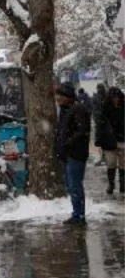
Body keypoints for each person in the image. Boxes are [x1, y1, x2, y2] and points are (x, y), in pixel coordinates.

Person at [55, 82, 91, 226]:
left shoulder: (78, 109)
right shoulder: (65, 110)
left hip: (75, 155)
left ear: (68, 97)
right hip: (68, 154)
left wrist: (67, 143)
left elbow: (81, 131)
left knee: (75, 186)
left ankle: (79, 216)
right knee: (71, 186)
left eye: (61, 96)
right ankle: (76, 214)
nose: (58, 99)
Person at [99, 87, 125, 194]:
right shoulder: (105, 109)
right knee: (111, 163)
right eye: (114, 97)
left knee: (123, 164)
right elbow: (101, 125)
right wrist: (99, 140)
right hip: (109, 141)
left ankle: (123, 186)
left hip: (123, 140)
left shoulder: (124, 108)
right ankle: (111, 184)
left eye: (117, 97)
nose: (116, 99)